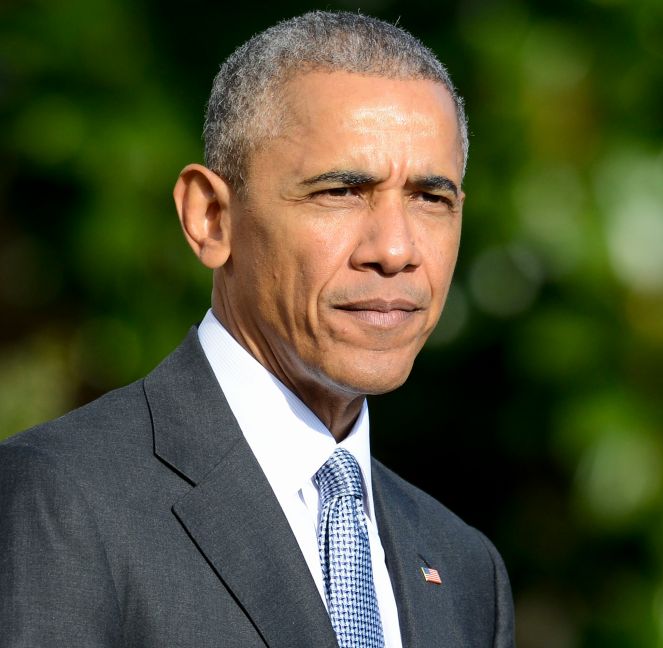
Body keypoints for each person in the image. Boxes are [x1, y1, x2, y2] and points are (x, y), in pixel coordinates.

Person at [0, 11, 514, 648]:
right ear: (211, 218)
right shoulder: (60, 500)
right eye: (340, 192)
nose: (395, 249)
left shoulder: (466, 570)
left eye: (431, 198)